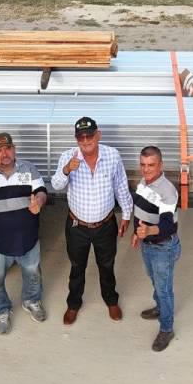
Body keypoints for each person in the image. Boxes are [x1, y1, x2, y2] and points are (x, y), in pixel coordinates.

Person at [51, 117, 133, 325]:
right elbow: (56, 185)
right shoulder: (68, 157)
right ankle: (73, 304)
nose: (86, 140)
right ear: (76, 139)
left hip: (105, 225)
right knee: (77, 267)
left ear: (98, 135)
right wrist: (67, 169)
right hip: (77, 226)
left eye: (90, 135)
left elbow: (121, 186)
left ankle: (111, 300)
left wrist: (126, 214)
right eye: (81, 137)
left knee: (106, 265)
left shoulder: (112, 155)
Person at [0, 132, 48, 334]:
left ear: (14, 150)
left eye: (8, 148)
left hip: (26, 238)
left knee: (33, 272)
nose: (4, 153)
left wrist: (39, 201)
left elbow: (41, 191)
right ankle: (2, 311)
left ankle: (32, 301)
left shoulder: (28, 168)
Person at [131, 146, 182, 352]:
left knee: (164, 289)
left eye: (151, 165)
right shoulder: (144, 182)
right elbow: (140, 210)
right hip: (148, 244)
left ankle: (167, 328)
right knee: (155, 280)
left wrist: (149, 231)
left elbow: (168, 224)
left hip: (163, 247)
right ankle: (161, 308)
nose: (146, 170)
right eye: (143, 165)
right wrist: (137, 233)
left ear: (160, 165)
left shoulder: (168, 190)